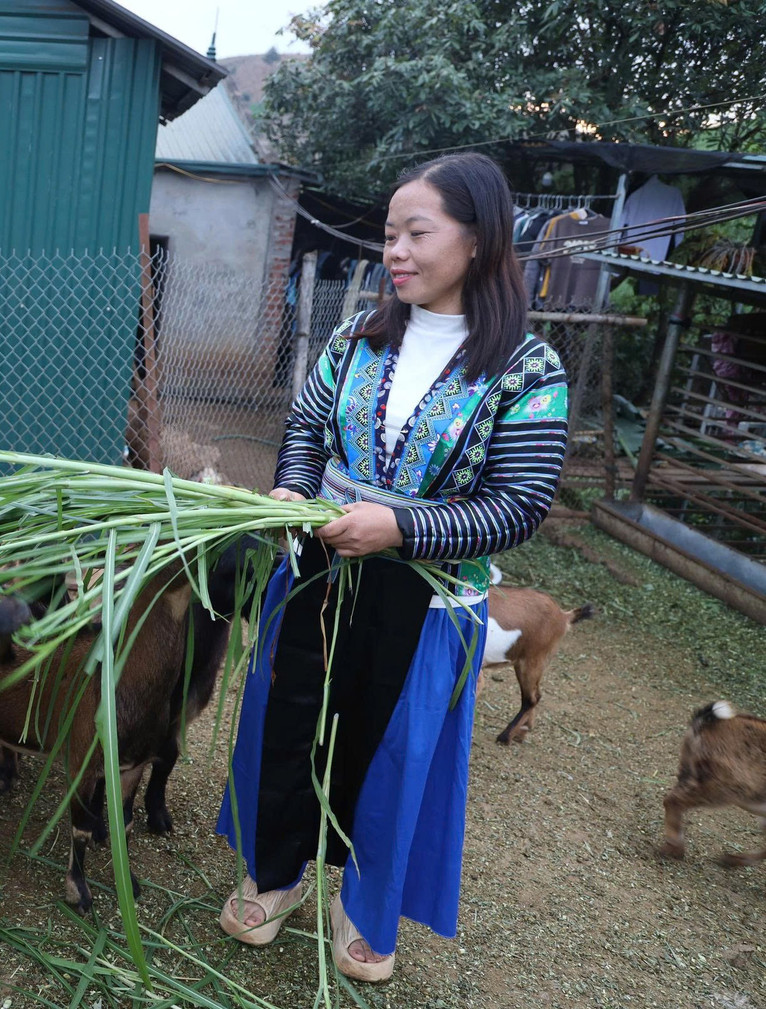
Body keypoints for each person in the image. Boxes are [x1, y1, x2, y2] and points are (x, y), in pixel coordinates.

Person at [215, 152, 569, 981]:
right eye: (389, 235)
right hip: (318, 569)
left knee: (391, 749)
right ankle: (277, 872)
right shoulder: (357, 336)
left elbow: (518, 505)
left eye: (417, 233)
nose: (395, 253)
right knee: (290, 718)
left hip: (428, 596)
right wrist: (292, 490)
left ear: (479, 241)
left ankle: (365, 902)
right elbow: (306, 428)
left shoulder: (527, 368)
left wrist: (401, 528)